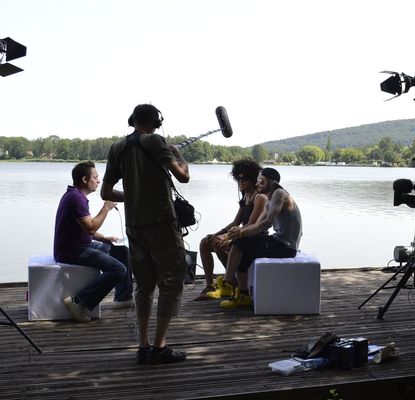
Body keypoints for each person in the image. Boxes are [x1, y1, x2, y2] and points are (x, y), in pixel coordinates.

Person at [101, 104, 190, 365]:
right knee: (171, 284)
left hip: (135, 227)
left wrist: (134, 196)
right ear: (156, 121)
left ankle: (143, 347)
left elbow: (106, 192)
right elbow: (183, 177)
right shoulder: (157, 141)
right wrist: (178, 155)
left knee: (144, 287)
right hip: (162, 224)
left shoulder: (117, 147)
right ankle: (160, 347)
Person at [206, 167, 302, 309]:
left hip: (286, 247)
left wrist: (241, 233)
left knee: (242, 242)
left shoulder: (279, 194)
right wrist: (234, 233)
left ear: (272, 182)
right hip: (276, 240)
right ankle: (242, 294)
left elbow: (267, 223)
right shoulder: (269, 201)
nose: (257, 184)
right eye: (258, 181)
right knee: (241, 247)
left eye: (261, 181)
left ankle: (228, 284)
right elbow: (256, 225)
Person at [54, 161, 133, 323]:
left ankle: (123, 298)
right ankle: (78, 302)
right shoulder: (76, 199)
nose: (98, 181)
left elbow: (84, 227)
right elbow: (89, 228)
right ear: (85, 180)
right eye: (95, 178)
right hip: (71, 251)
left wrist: (104, 238)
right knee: (118, 269)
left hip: (80, 245)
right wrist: (106, 208)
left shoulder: (75, 195)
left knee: (122, 250)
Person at [194, 158, 267, 301]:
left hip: (253, 237)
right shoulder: (246, 196)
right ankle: (210, 285)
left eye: (244, 178)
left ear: (253, 179)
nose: (241, 181)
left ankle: (231, 281)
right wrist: (218, 233)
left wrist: (226, 237)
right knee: (205, 242)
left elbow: (250, 225)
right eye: (238, 178)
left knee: (219, 244)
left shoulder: (260, 198)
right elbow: (236, 221)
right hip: (240, 234)